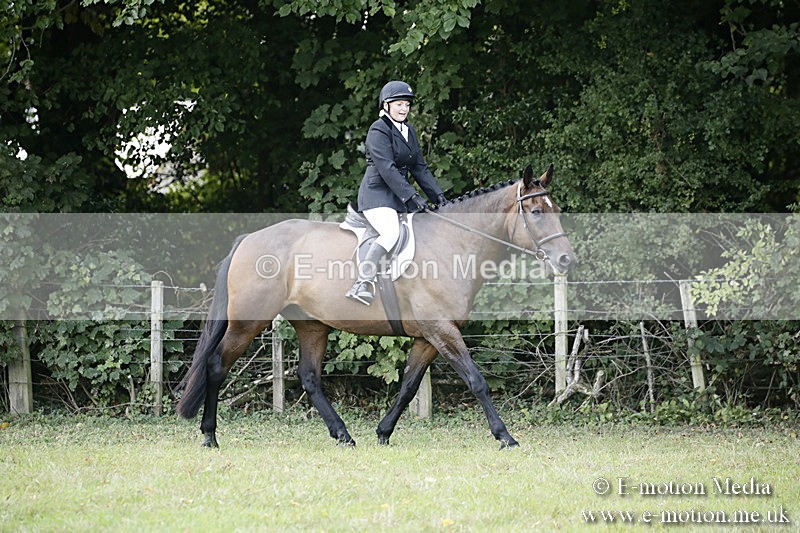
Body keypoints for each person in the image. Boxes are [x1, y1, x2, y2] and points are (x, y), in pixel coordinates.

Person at [346, 80, 447, 305]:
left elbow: (419, 167)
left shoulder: (408, 130)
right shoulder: (378, 129)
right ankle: (363, 282)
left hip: (399, 196)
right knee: (391, 232)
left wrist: (439, 198)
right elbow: (387, 169)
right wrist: (412, 196)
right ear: (387, 105)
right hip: (377, 196)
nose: (403, 109)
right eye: (398, 104)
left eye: (407, 105)